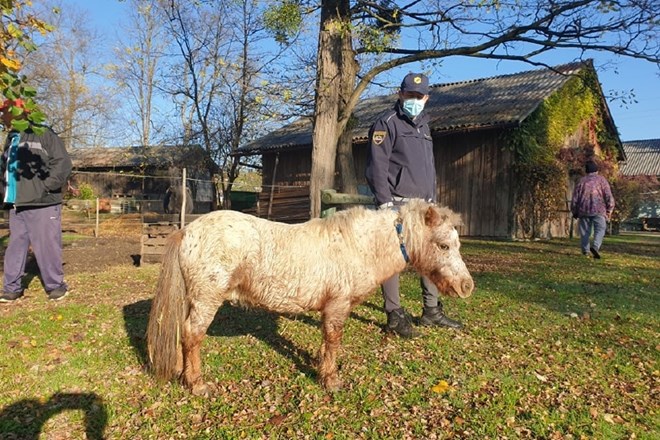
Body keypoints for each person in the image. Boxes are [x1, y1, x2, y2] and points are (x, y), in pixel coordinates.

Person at [365, 72, 463, 338]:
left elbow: (427, 167)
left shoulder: (425, 125)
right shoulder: (386, 123)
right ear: (400, 94)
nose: (414, 100)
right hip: (396, 204)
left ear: (426, 97)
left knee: (430, 255)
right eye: (410, 95)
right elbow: (377, 167)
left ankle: (431, 311)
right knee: (392, 260)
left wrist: (432, 200)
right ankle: (394, 315)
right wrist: (385, 203)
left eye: (419, 96)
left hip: (425, 207)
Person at [0, 99, 72, 302]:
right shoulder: (11, 139)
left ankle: (55, 286)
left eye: (5, 112)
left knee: (47, 245)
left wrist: (45, 187)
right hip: (17, 203)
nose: (2, 116)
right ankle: (11, 288)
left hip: (42, 202)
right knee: (15, 246)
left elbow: (63, 163)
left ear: (19, 112)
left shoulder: (43, 133)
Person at [570, 160, 615, 259]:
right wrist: (609, 209)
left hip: (584, 210)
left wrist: (574, 211)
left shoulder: (581, 181)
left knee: (585, 231)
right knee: (600, 229)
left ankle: (585, 251)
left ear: (586, 171)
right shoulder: (602, 180)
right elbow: (608, 196)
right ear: (596, 170)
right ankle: (595, 246)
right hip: (599, 210)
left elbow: (575, 198)